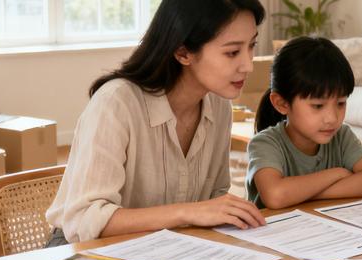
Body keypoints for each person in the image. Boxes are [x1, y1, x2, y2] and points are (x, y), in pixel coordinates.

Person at [45, 0, 267, 245]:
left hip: (164, 247)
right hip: (83, 251)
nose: (248, 65)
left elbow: (215, 197)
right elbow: (83, 220)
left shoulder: (219, 105)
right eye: (232, 52)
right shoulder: (116, 103)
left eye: (252, 46)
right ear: (183, 52)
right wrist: (187, 212)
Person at [245, 37, 362, 210]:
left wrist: (302, 195)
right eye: (318, 106)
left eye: (341, 103)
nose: (332, 118)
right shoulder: (264, 143)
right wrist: (337, 174)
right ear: (282, 104)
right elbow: (275, 196)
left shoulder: (341, 136)